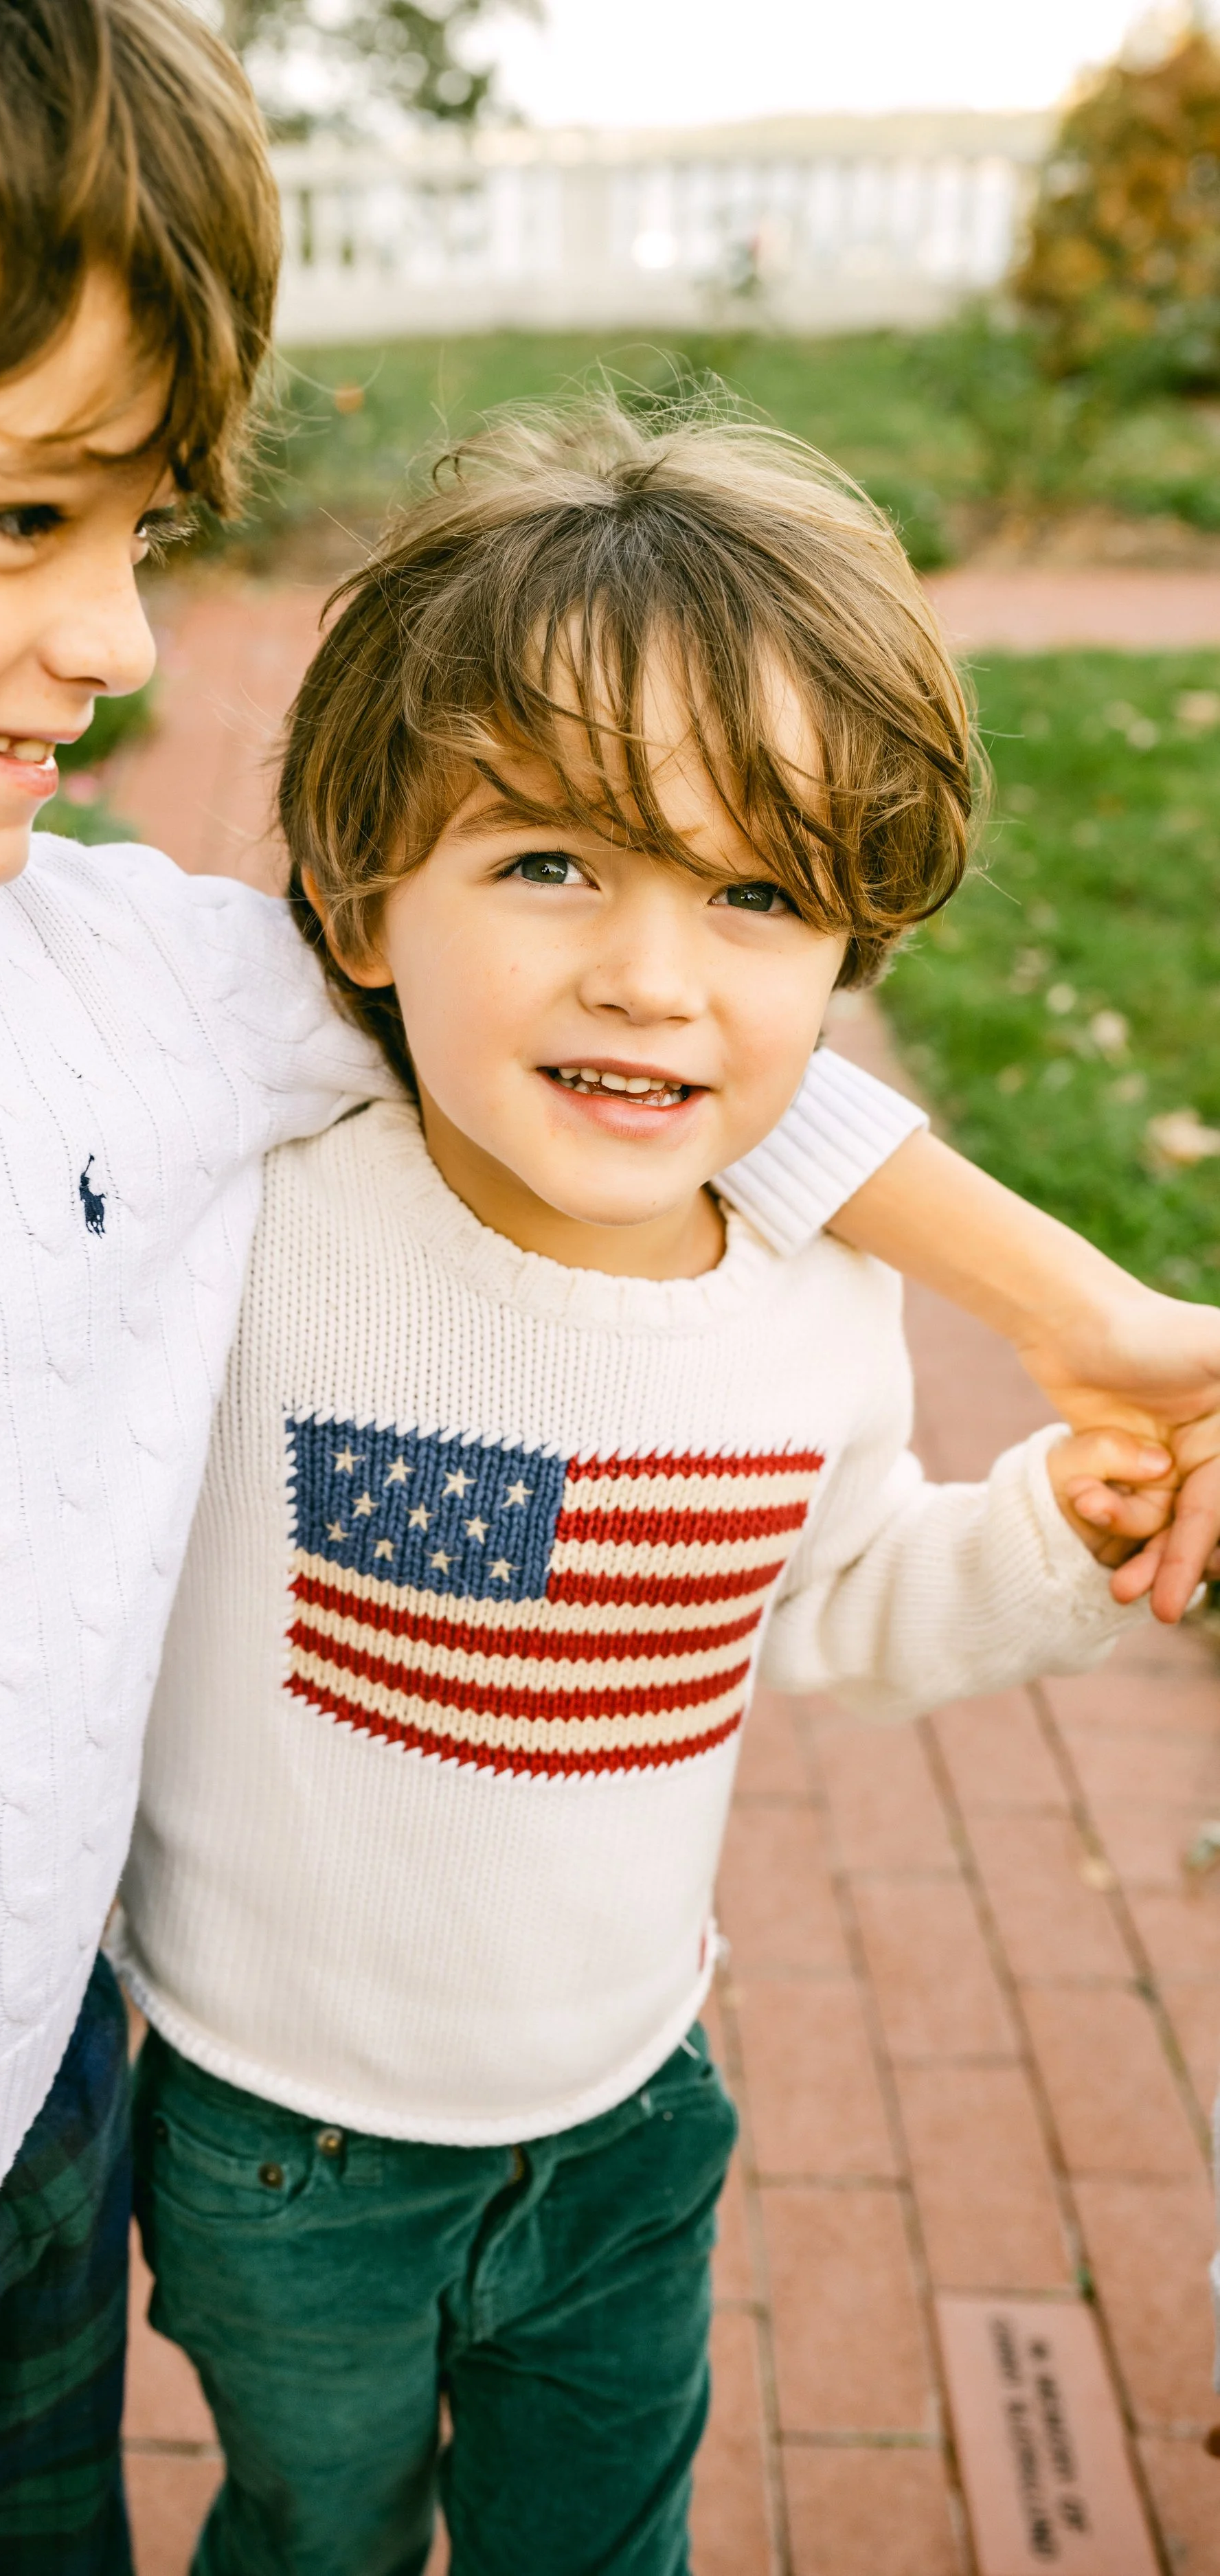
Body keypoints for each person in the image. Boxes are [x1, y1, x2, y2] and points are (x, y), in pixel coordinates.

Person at [0, 6, 1217, 2568]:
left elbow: (642, 1038)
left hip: (23, 2186)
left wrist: (1073, 1302)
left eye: (143, 537)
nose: (111, 642)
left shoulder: (140, 988)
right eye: (15, 523)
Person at [114, 403, 1179, 2576]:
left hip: (624, 2107)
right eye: (547, 860)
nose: (650, 972)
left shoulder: (804, 1304)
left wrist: (1053, 1529)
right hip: (277, 2127)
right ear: (360, 894)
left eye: (754, 893)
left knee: (602, 2545)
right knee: (307, 2533)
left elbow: (850, 1595)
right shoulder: (262, 1208)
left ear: (843, 949)